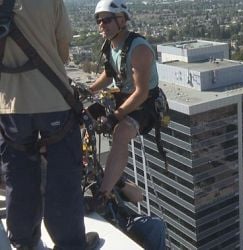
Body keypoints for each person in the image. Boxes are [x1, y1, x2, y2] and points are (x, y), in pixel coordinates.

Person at [0, 0, 88, 249]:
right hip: (53, 101)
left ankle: (24, 240)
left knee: (18, 177)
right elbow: (62, 51)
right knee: (63, 178)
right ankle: (70, 242)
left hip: (11, 106)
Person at [88, 0, 160, 201]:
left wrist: (115, 117)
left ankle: (104, 192)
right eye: (99, 21)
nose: (101, 25)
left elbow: (142, 93)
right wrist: (89, 90)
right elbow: (110, 73)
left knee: (121, 133)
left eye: (106, 20)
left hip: (145, 103)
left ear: (121, 20)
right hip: (124, 96)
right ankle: (82, 163)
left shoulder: (139, 49)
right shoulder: (111, 45)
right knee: (84, 115)